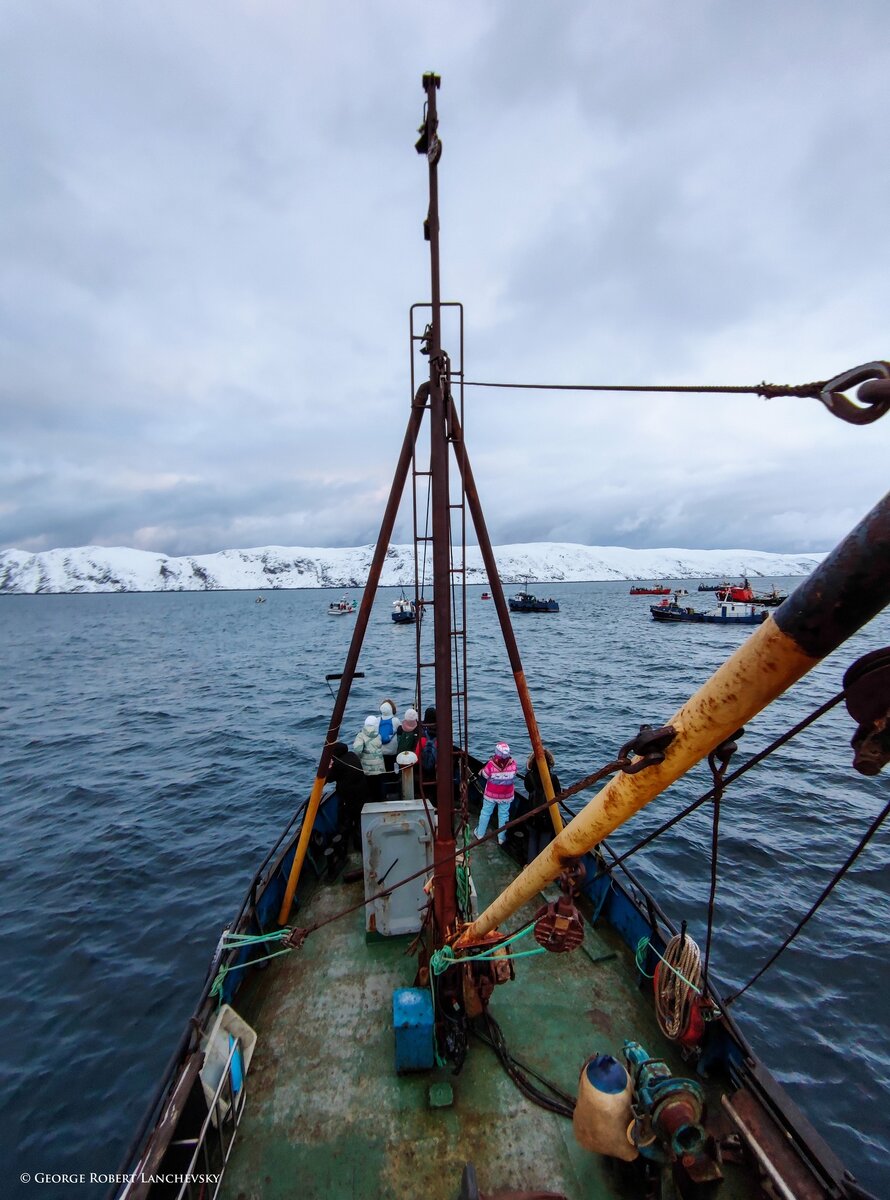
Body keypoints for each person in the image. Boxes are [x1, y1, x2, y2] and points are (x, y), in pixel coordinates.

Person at [327, 741, 368, 853]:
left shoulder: (338, 764)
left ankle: (352, 845)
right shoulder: (352, 755)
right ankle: (360, 843)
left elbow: (328, 778)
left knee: (347, 821)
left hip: (349, 797)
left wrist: (330, 766)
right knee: (358, 819)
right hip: (361, 792)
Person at [475, 741, 518, 846]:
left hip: (491, 795)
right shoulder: (513, 764)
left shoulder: (490, 764)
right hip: (506, 795)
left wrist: (481, 771)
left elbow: (485, 775)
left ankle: (480, 834)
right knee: (503, 815)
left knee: (486, 812)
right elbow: (514, 774)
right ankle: (501, 838)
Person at [523, 747, 561, 864]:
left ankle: (530, 865)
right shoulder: (553, 778)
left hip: (532, 813)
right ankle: (541, 867)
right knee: (544, 842)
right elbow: (558, 794)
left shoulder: (529, 776)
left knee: (532, 838)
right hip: (547, 816)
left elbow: (528, 788)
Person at [352, 715, 386, 803]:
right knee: (380, 786)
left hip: (367, 769)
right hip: (380, 767)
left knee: (370, 788)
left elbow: (357, 749)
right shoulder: (378, 735)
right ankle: (382, 802)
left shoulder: (361, 735)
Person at [378, 700, 401, 770]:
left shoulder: (377, 720)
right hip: (393, 752)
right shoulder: (396, 720)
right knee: (392, 768)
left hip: (381, 752)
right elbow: (400, 731)